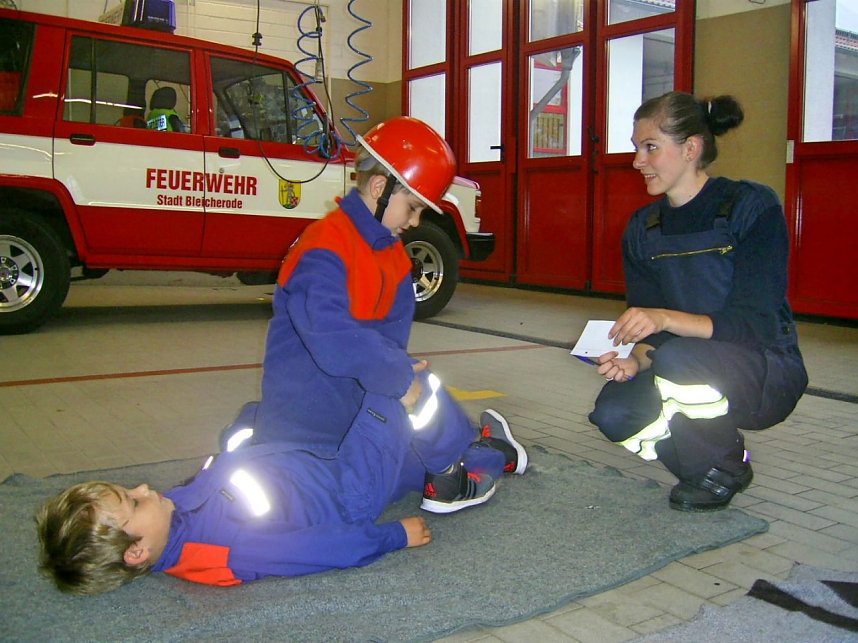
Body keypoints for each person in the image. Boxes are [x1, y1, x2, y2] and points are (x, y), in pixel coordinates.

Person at [35, 389, 528, 595]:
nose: (144, 487)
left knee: (257, 414)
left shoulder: (173, 519)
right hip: (348, 489)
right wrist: (393, 537)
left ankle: (442, 462)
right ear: (137, 551)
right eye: (134, 501)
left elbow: (228, 477)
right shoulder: (222, 550)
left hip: (308, 462)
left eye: (131, 488)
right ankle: (489, 455)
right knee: (403, 391)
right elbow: (316, 550)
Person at [255, 116, 510, 509]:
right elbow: (334, 340)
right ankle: (474, 461)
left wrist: (397, 377)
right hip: (317, 421)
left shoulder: (391, 255)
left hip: (349, 412)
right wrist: (399, 378)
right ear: (379, 187)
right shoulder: (323, 248)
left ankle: (477, 449)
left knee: (417, 390)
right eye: (412, 207)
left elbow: (386, 344)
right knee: (419, 405)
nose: (415, 222)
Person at [587, 91, 808, 512]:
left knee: (680, 361)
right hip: (685, 363)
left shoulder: (750, 207)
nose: (637, 160)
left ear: (691, 148)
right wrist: (636, 360)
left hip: (764, 369)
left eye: (650, 147)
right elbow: (656, 334)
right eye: (636, 147)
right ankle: (707, 467)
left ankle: (722, 462)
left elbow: (753, 324)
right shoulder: (642, 228)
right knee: (614, 413)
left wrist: (665, 319)